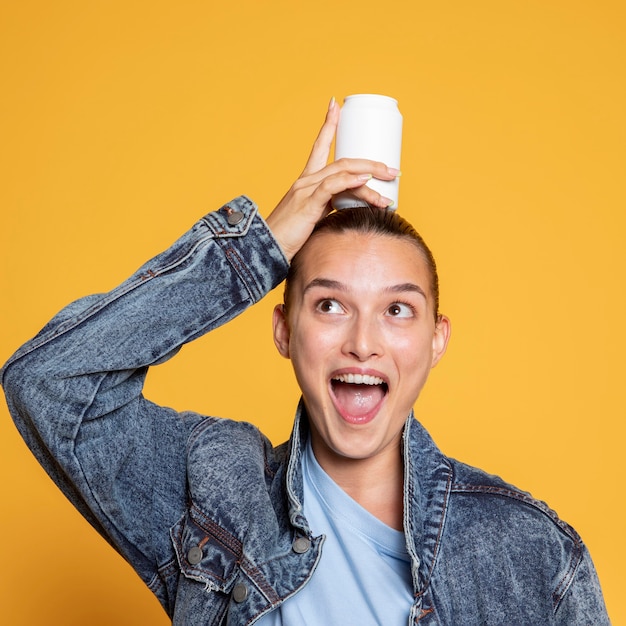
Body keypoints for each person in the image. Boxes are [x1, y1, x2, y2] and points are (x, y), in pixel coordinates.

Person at [1, 99, 609, 625]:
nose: (363, 343)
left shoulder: (528, 551)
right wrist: (257, 248)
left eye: (398, 311)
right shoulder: (216, 494)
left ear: (435, 339)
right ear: (284, 330)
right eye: (329, 305)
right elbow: (49, 382)